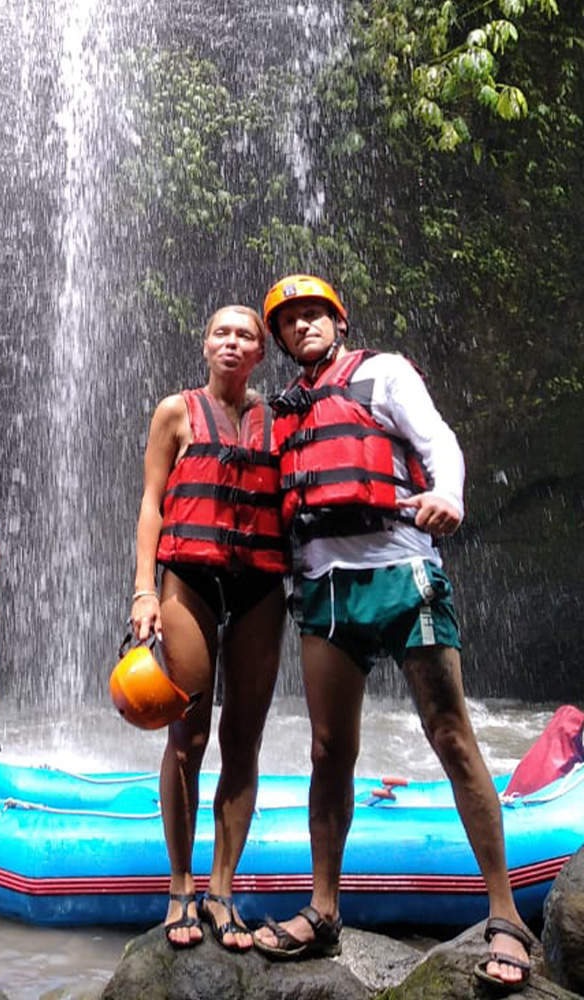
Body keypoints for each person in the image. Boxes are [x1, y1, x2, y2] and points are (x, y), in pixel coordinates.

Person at [250, 274, 534, 991]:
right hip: (325, 587)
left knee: (450, 732)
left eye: (315, 313)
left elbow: (438, 441)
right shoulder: (282, 411)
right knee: (327, 749)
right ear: (279, 338)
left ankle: (506, 915)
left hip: (402, 569)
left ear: (338, 323)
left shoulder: (383, 372)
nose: (303, 324)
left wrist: (449, 497)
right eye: (289, 320)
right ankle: (323, 908)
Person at [130, 306, 288, 952]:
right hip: (188, 579)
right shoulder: (176, 411)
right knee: (187, 736)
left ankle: (222, 890)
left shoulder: (281, 419)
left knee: (243, 737)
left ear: (259, 352)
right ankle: (179, 885)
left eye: (245, 335)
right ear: (205, 345)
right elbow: (151, 502)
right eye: (221, 332)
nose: (232, 342)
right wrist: (144, 589)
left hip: (259, 584)